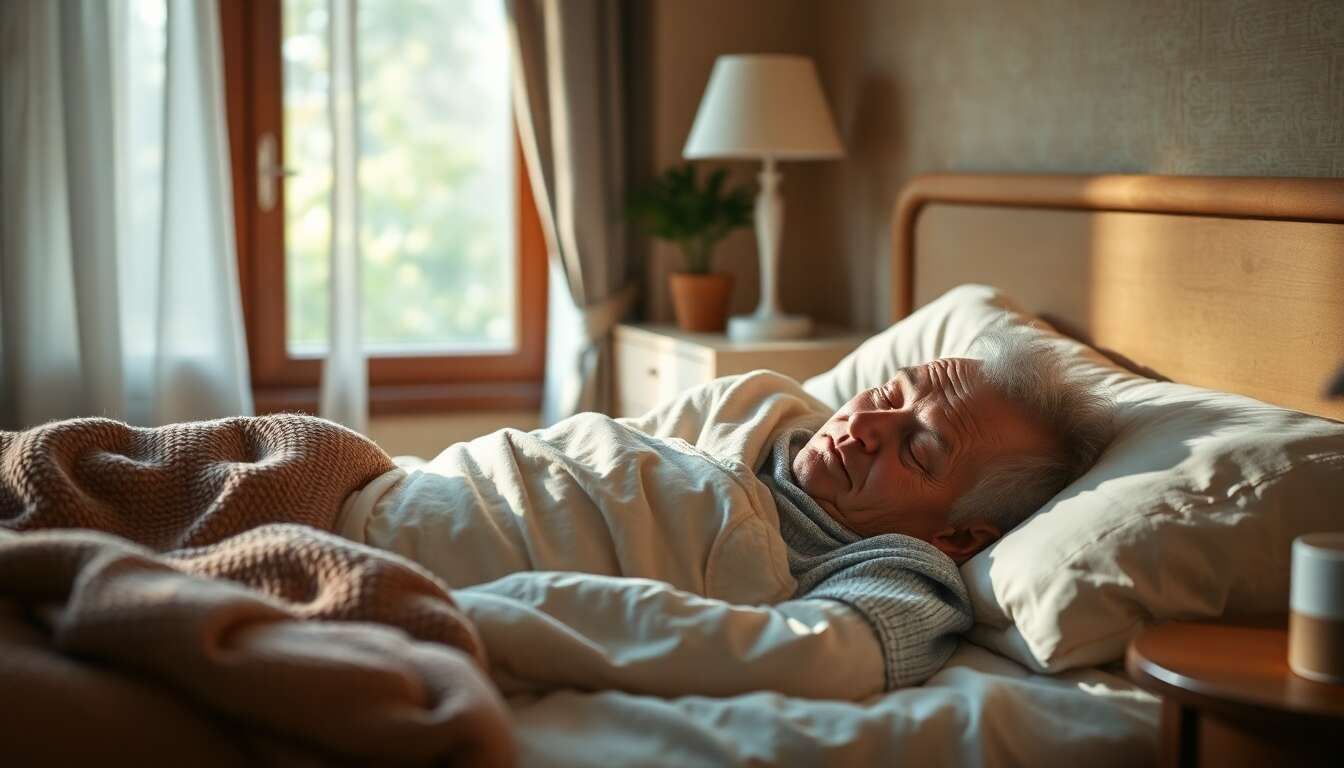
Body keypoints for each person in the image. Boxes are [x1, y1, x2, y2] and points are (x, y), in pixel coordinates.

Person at [341, 325, 1114, 699]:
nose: (869, 425)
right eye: (887, 396)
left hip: (414, 584)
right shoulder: (759, 402)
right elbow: (582, 453)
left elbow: (811, 654)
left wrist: (492, 618)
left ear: (958, 534)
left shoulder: (899, 572)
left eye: (918, 449)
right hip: (376, 490)